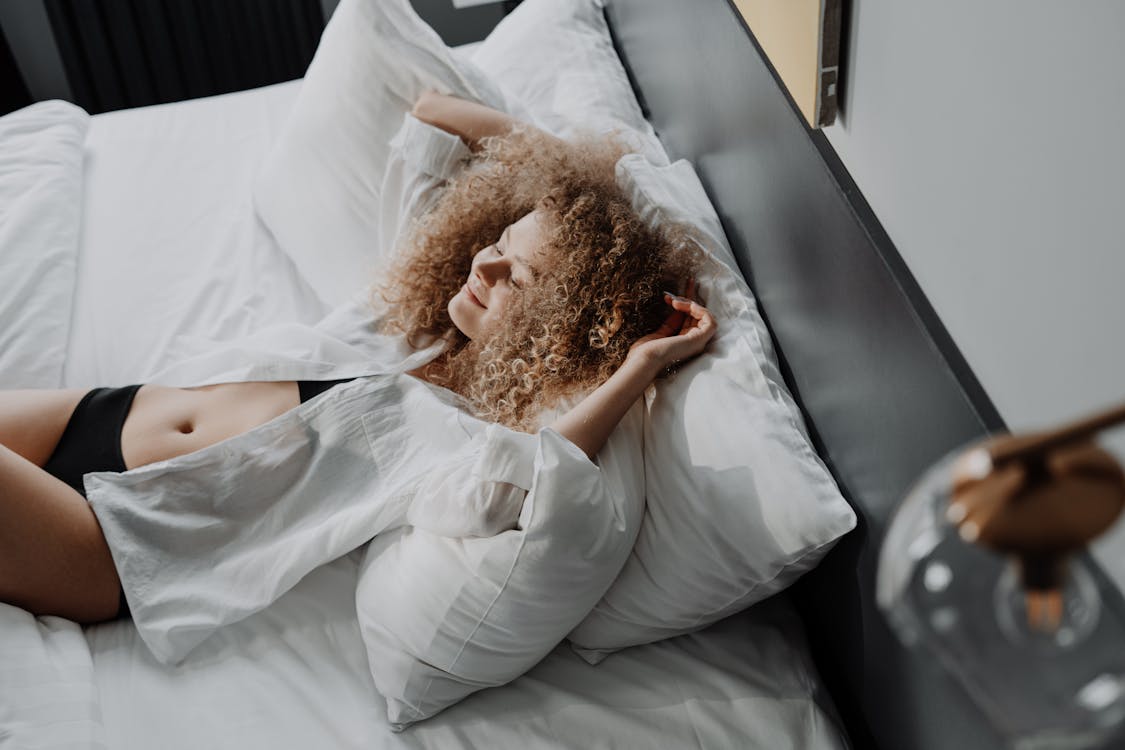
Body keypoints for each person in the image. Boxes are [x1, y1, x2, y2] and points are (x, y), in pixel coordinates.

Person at [0, 93, 716, 630]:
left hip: (111, 540)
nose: (486, 267)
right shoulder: (403, 322)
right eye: (497, 241)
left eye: (517, 280)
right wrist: (585, 191)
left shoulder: (454, 435)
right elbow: (434, 119)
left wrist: (640, 363)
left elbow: (528, 483)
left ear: (559, 328)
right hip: (98, 413)